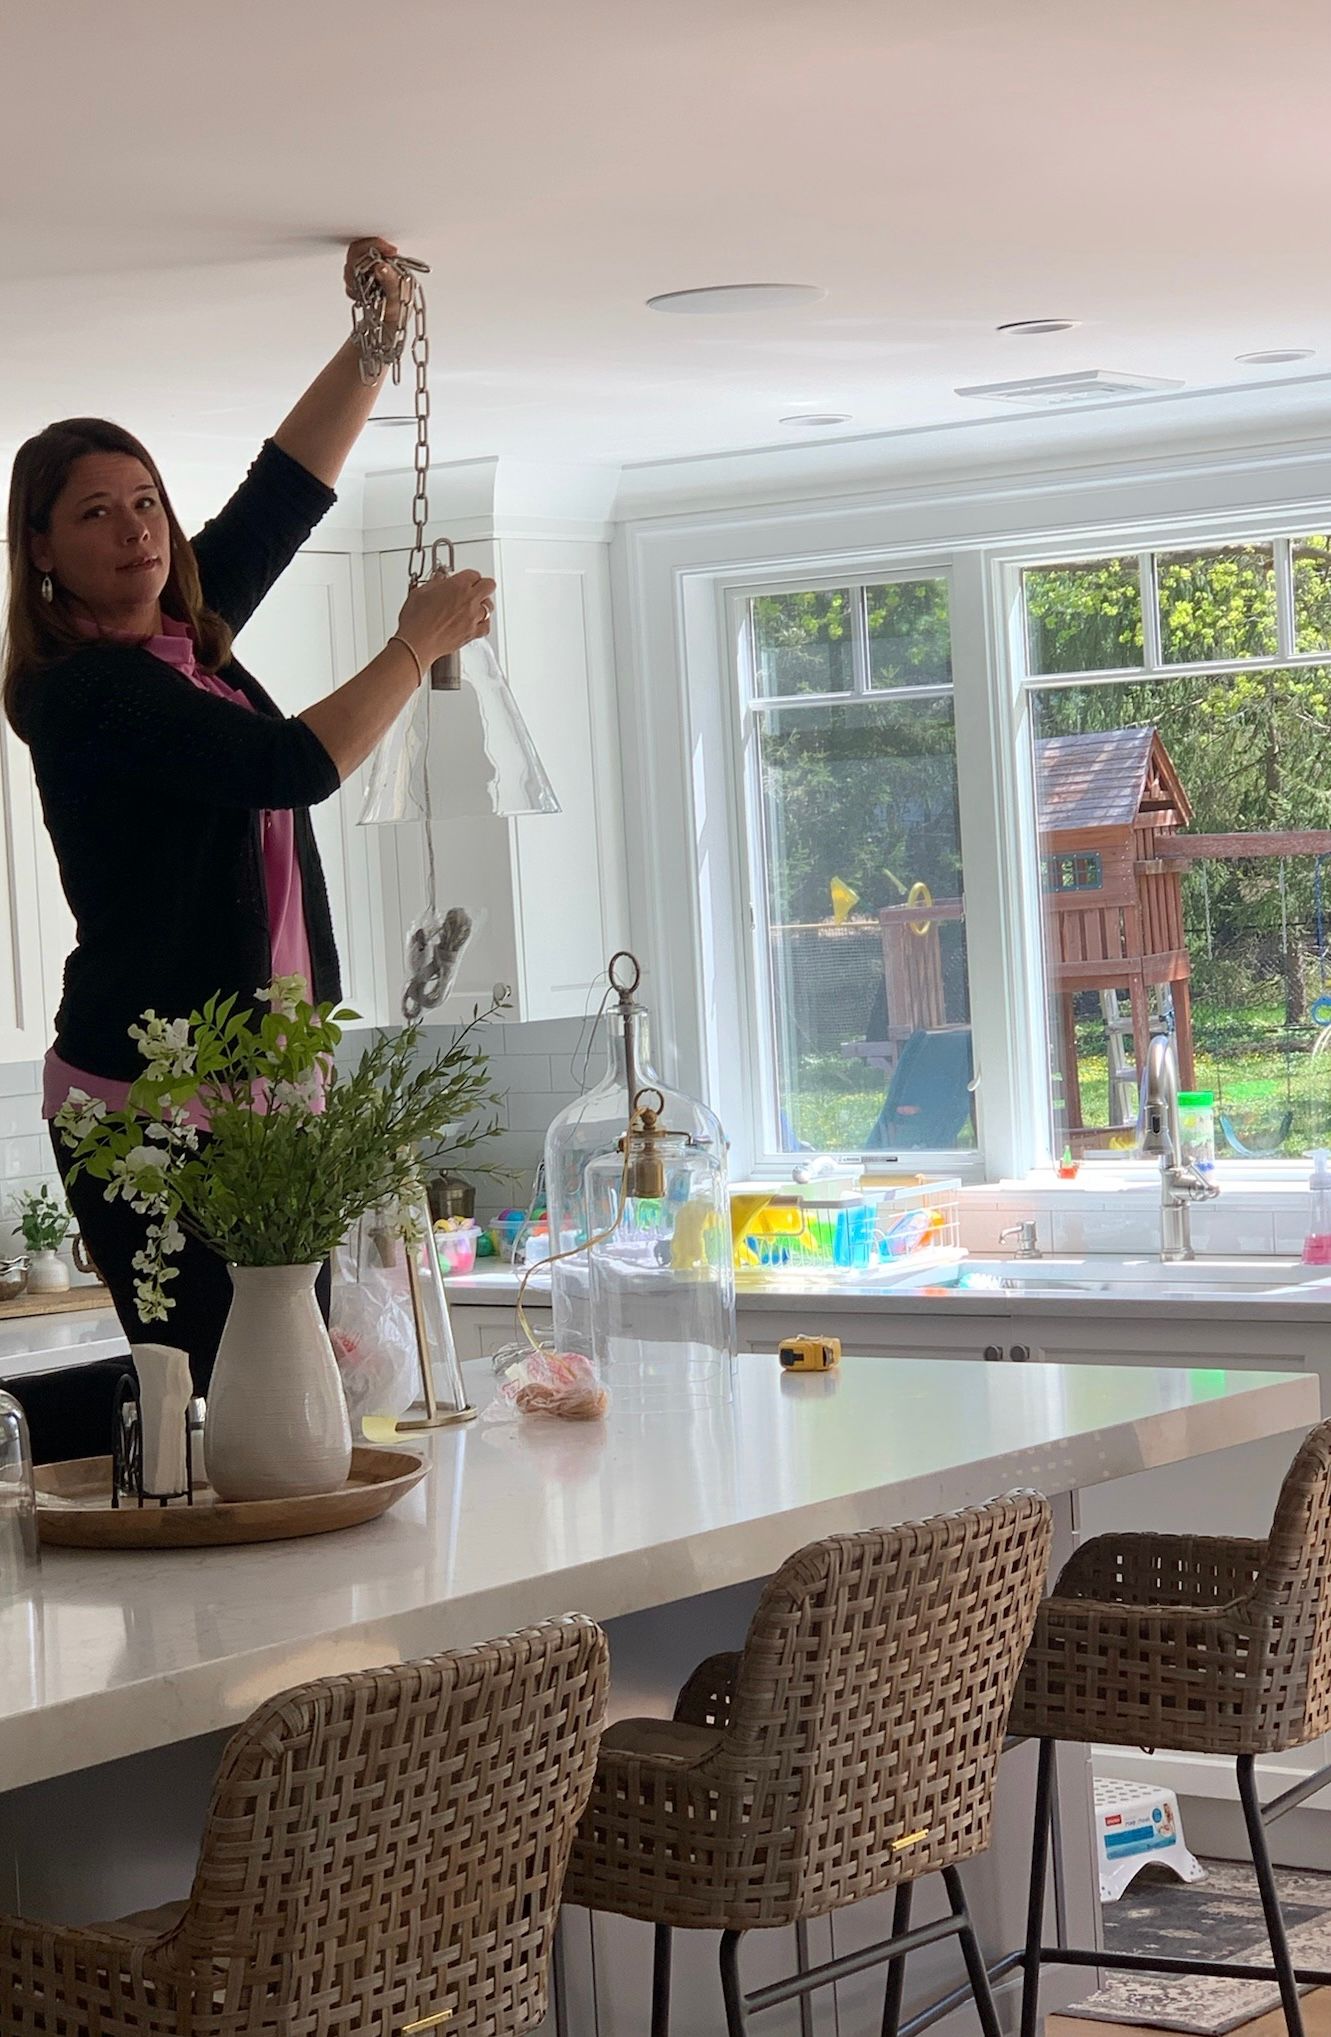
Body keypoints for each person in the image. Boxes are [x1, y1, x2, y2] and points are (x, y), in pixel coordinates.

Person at [1, 238, 494, 1437]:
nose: (137, 529)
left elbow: (284, 491)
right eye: (96, 514)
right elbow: (289, 767)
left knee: (291, 1398)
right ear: (46, 557)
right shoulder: (80, 696)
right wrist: (414, 647)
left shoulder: (191, 639)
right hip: (142, 1104)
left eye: (147, 501)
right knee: (218, 1404)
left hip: (267, 1090)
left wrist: (379, 334)